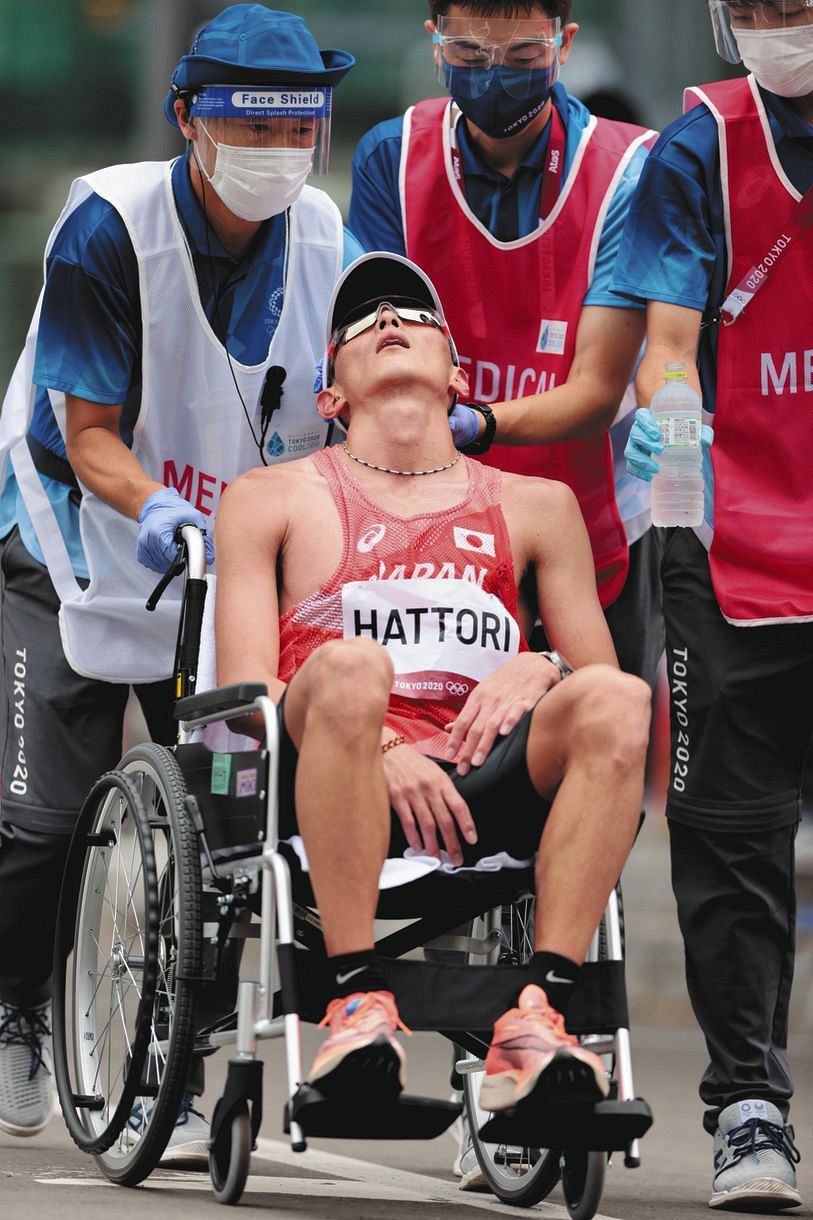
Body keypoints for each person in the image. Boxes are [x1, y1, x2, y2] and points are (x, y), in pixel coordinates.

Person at [0, 5, 359, 1154]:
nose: (276, 142)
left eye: (297, 119)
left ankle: (182, 1056)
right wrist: (151, 503)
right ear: (188, 118)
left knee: (223, 830)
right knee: (45, 817)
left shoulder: (323, 238)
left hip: (222, 576)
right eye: (248, 118)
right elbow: (89, 427)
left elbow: (350, 389)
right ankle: (14, 999)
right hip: (72, 542)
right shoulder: (111, 224)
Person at [215, 250, 651, 1129]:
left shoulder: (538, 505)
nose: (386, 323)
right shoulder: (269, 497)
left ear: (457, 377)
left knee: (618, 698)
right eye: (358, 324)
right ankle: (353, 1001)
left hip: (483, 779)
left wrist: (545, 665)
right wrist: (376, 746)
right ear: (329, 396)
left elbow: (599, 678)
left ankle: (537, 1015)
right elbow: (245, 690)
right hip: (330, 774)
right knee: (346, 666)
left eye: (411, 316)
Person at [614, 0, 812, 1211]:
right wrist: (673, 410)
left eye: (798, 4)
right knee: (732, 843)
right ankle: (750, 1108)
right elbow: (668, 335)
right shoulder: (696, 150)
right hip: (732, 542)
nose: (782, 26)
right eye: (759, 10)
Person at [348, 0, 664, 690]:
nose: (494, 78)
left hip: (594, 514)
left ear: (564, 41)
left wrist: (477, 422)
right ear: (433, 42)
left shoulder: (628, 169)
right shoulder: (392, 156)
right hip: (432, 525)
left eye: (521, 58)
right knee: (443, 755)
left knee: (596, 728)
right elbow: (374, 350)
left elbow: (594, 392)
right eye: (467, 56)